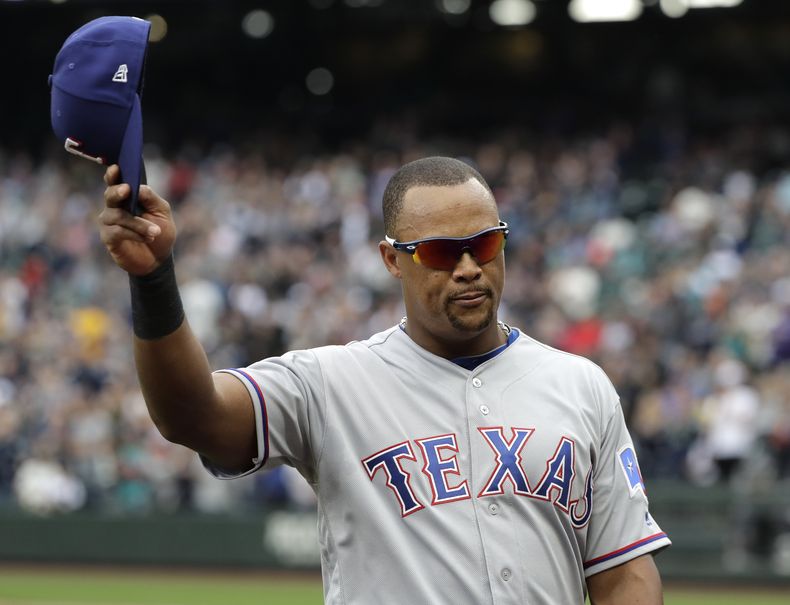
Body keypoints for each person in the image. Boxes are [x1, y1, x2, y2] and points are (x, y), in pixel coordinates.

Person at [99, 156, 670, 604]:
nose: (468, 267)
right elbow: (190, 416)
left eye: (485, 244)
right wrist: (153, 282)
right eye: (442, 252)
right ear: (393, 260)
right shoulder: (330, 383)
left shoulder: (580, 384)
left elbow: (623, 571)